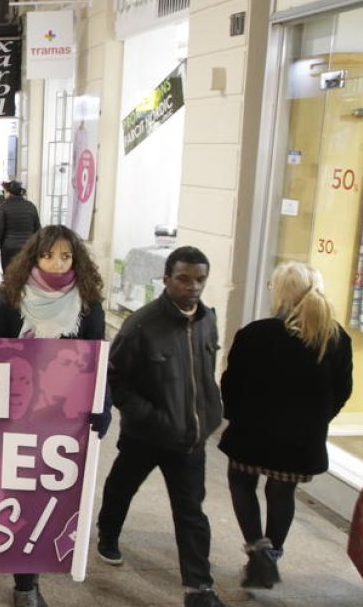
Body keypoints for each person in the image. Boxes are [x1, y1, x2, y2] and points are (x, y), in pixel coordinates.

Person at [95, 246, 226, 607]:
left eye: (200, 279)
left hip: (190, 439)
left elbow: (204, 375)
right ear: (167, 279)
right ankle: (107, 533)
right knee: (122, 487)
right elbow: (115, 378)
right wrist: (148, 417)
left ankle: (199, 589)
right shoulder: (142, 325)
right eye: (184, 278)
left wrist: (210, 414)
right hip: (147, 435)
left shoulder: (207, 320)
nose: (193, 287)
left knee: (191, 513)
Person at [0, 225, 109, 607]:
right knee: (17, 495)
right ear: (34, 257)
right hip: (19, 415)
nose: (57, 263)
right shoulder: (11, 300)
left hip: (64, 421)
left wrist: (101, 407)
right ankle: (19, 571)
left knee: (48, 497)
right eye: (49, 255)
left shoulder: (87, 304)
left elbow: (99, 361)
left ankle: (28, 584)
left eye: (66, 256)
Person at [217, 262, 352, 589]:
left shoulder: (255, 334)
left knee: (241, 482)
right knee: (282, 492)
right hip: (299, 442)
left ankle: (258, 552)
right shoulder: (334, 337)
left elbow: (231, 384)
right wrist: (315, 422)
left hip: (252, 435)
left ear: (280, 293)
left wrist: (236, 418)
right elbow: (343, 391)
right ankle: (271, 554)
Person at [0, 180, 42, 271]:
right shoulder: (31, 206)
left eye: (4, 192)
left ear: (9, 193)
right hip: (28, 248)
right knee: (26, 274)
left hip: (9, 249)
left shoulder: (3, 207)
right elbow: (38, 229)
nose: (4, 194)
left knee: (9, 274)